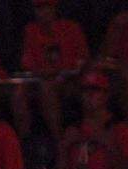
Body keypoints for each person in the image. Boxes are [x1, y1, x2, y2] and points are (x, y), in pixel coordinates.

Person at [16, 0, 90, 138]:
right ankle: (24, 141)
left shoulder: (71, 28)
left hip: (71, 79)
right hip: (43, 80)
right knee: (19, 94)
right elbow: (28, 65)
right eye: (39, 8)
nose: (43, 12)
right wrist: (44, 72)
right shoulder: (31, 30)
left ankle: (59, 140)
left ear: (54, 8)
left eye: (46, 7)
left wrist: (62, 72)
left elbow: (83, 61)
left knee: (48, 88)